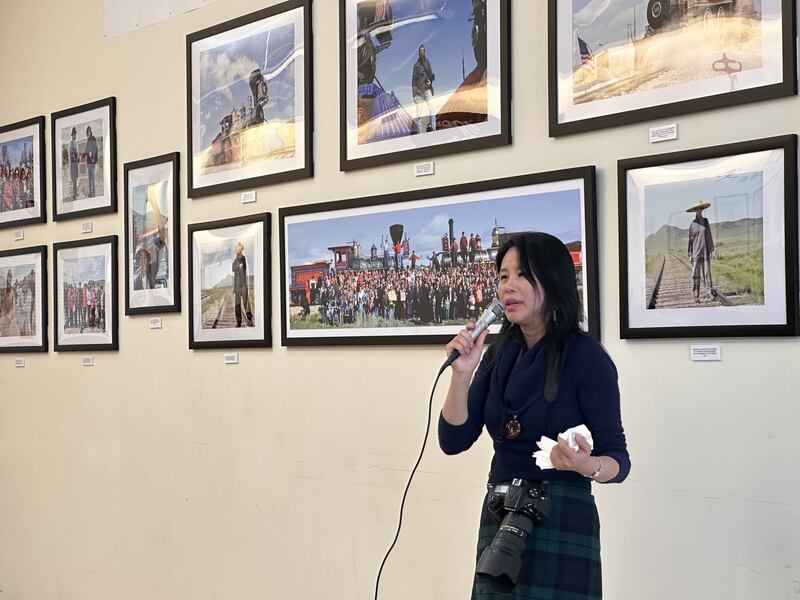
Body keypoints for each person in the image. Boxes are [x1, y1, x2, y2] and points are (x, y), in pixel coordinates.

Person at [439, 232, 630, 599]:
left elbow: (619, 462)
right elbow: (453, 440)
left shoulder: (586, 358)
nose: (508, 286)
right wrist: (461, 375)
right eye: (503, 276)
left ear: (553, 280)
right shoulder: (497, 354)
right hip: (501, 512)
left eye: (523, 274)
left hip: (561, 515)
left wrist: (584, 464)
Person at [687, 200, 715, 302]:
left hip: (705, 251)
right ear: (695, 210)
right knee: (695, 275)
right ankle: (696, 295)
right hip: (695, 253)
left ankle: (710, 292)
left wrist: (712, 250)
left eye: (700, 208)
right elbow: (690, 240)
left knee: (707, 273)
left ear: (702, 209)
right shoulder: (692, 224)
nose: (699, 210)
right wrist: (690, 253)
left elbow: (709, 236)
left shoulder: (706, 221)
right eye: (697, 208)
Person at [411, 44, 436, 134]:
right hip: (418, 93)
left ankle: (434, 130)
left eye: (423, 50)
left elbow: (431, 74)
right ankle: (420, 135)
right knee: (419, 115)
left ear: (425, 52)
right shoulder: (416, 65)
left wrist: (430, 82)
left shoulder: (427, 62)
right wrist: (414, 95)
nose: (422, 52)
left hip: (427, 89)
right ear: (419, 52)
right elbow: (413, 80)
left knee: (432, 110)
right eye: (421, 51)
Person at [232, 242, 254, 327]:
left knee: (246, 303)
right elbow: (234, 269)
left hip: (243, 286)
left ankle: (249, 319)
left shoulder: (243, 258)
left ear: (240, 250)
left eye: (238, 249)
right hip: (237, 287)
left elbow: (239, 268)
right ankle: (238, 322)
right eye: (236, 249)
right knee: (237, 305)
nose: (237, 251)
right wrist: (238, 267)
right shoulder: (235, 260)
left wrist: (237, 267)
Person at [84, 125, 99, 198]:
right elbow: (86, 151)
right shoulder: (88, 140)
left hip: (92, 162)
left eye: (88, 132)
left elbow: (95, 149)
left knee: (92, 178)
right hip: (89, 162)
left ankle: (93, 193)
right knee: (89, 178)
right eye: (87, 133)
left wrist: (92, 155)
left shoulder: (93, 138)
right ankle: (91, 193)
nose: (87, 134)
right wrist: (83, 156)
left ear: (90, 132)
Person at [69, 128, 79, 200]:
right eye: (73, 135)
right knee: (74, 180)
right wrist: (76, 157)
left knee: (75, 178)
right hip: (73, 164)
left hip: (75, 164)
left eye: (75, 134)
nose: (74, 136)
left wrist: (78, 157)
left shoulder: (75, 143)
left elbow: (76, 154)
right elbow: (72, 155)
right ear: (72, 136)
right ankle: (74, 195)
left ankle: (75, 193)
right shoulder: (71, 144)